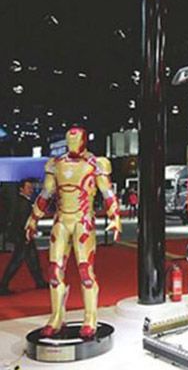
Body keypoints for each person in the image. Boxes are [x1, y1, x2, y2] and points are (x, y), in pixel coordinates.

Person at [25, 126, 121, 339]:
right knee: (54, 271)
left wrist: (115, 216)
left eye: (75, 140)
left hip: (82, 221)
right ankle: (56, 317)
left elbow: (107, 192)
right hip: (61, 221)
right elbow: (46, 193)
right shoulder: (56, 164)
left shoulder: (95, 164)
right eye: (69, 140)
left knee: (85, 272)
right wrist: (33, 219)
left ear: (84, 141)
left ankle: (90, 318)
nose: (72, 145)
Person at [0, 179, 47, 295]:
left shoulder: (22, 201)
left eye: (31, 187)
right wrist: (26, 235)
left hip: (24, 236)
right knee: (16, 261)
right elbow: (21, 222)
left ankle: (40, 282)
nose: (31, 190)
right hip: (22, 236)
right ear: (21, 189)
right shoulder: (23, 203)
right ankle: (3, 285)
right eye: (28, 188)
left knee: (33, 259)